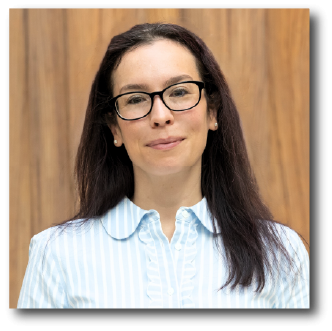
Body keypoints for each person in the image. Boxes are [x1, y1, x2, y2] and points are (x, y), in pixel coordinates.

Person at [17, 22, 309, 308]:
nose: (160, 115)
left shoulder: (281, 252)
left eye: (179, 92)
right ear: (114, 128)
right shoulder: (55, 254)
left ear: (212, 112)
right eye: (135, 99)